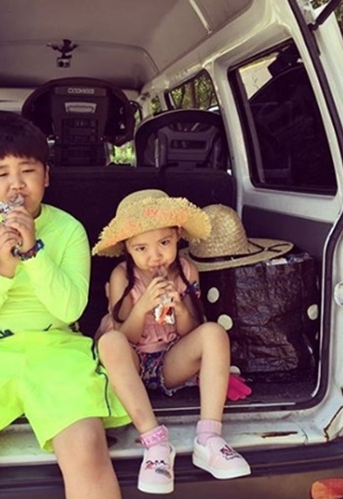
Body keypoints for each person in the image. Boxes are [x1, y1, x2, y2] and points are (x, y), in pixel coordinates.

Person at [0, 115, 131, 499]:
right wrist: (2, 269)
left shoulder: (68, 230)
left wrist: (33, 253)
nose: (16, 184)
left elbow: (69, 310)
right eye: (2, 174)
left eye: (28, 171)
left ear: (46, 176)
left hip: (58, 347)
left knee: (87, 448)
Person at [92, 190, 250, 492]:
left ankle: (209, 437)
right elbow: (125, 336)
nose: (155, 256)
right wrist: (143, 305)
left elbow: (192, 331)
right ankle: (155, 444)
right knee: (110, 342)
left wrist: (179, 308)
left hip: (171, 361)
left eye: (164, 243)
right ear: (127, 248)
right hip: (133, 363)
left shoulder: (187, 270)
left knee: (214, 333)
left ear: (178, 236)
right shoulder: (122, 276)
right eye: (141, 248)